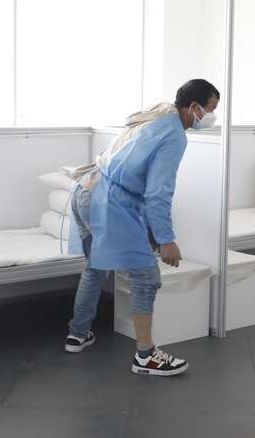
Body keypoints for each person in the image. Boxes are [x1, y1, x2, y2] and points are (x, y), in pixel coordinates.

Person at [63, 79, 220, 376]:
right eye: (211, 110)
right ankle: (146, 356)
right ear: (194, 107)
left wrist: (151, 230)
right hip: (108, 201)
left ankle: (78, 334)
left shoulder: (157, 115)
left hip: (86, 190)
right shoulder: (175, 135)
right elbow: (158, 192)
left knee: (95, 268)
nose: (212, 117)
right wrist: (166, 238)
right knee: (146, 277)